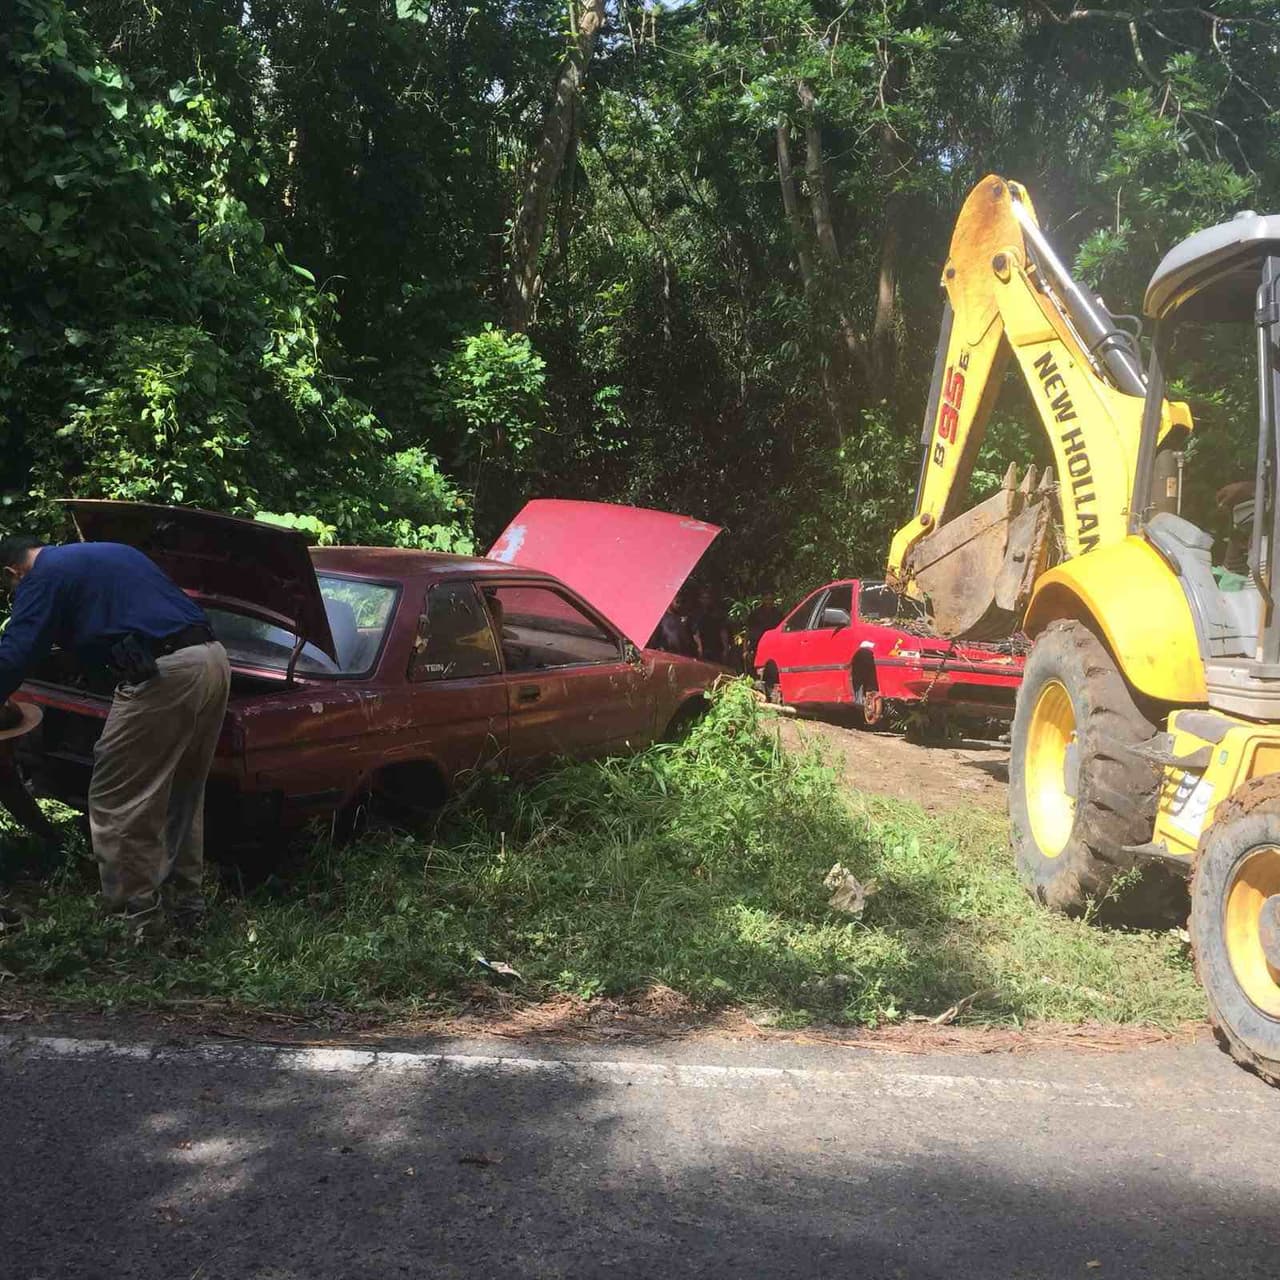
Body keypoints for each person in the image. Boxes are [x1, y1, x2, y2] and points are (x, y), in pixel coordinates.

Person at [0, 533, 230, 932]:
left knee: (116, 796)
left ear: (12, 572)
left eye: (9, 588)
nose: (14, 594)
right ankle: (184, 905)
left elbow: (17, 652)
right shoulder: (109, 553)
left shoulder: (41, 575)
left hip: (164, 674)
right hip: (212, 661)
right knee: (182, 790)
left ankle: (134, 918)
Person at [691, 585, 732, 666]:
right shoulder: (696, 615)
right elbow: (695, 633)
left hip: (716, 649)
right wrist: (699, 649)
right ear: (699, 599)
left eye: (707, 597)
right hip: (704, 650)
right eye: (703, 597)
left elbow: (723, 632)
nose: (705, 600)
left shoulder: (717, 613)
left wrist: (725, 649)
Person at [745, 593, 784, 671]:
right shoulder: (755, 614)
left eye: (771, 599)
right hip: (757, 644)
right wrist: (746, 649)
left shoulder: (778, 613)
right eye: (767, 599)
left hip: (773, 644)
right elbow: (749, 631)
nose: (769, 602)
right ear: (763, 600)